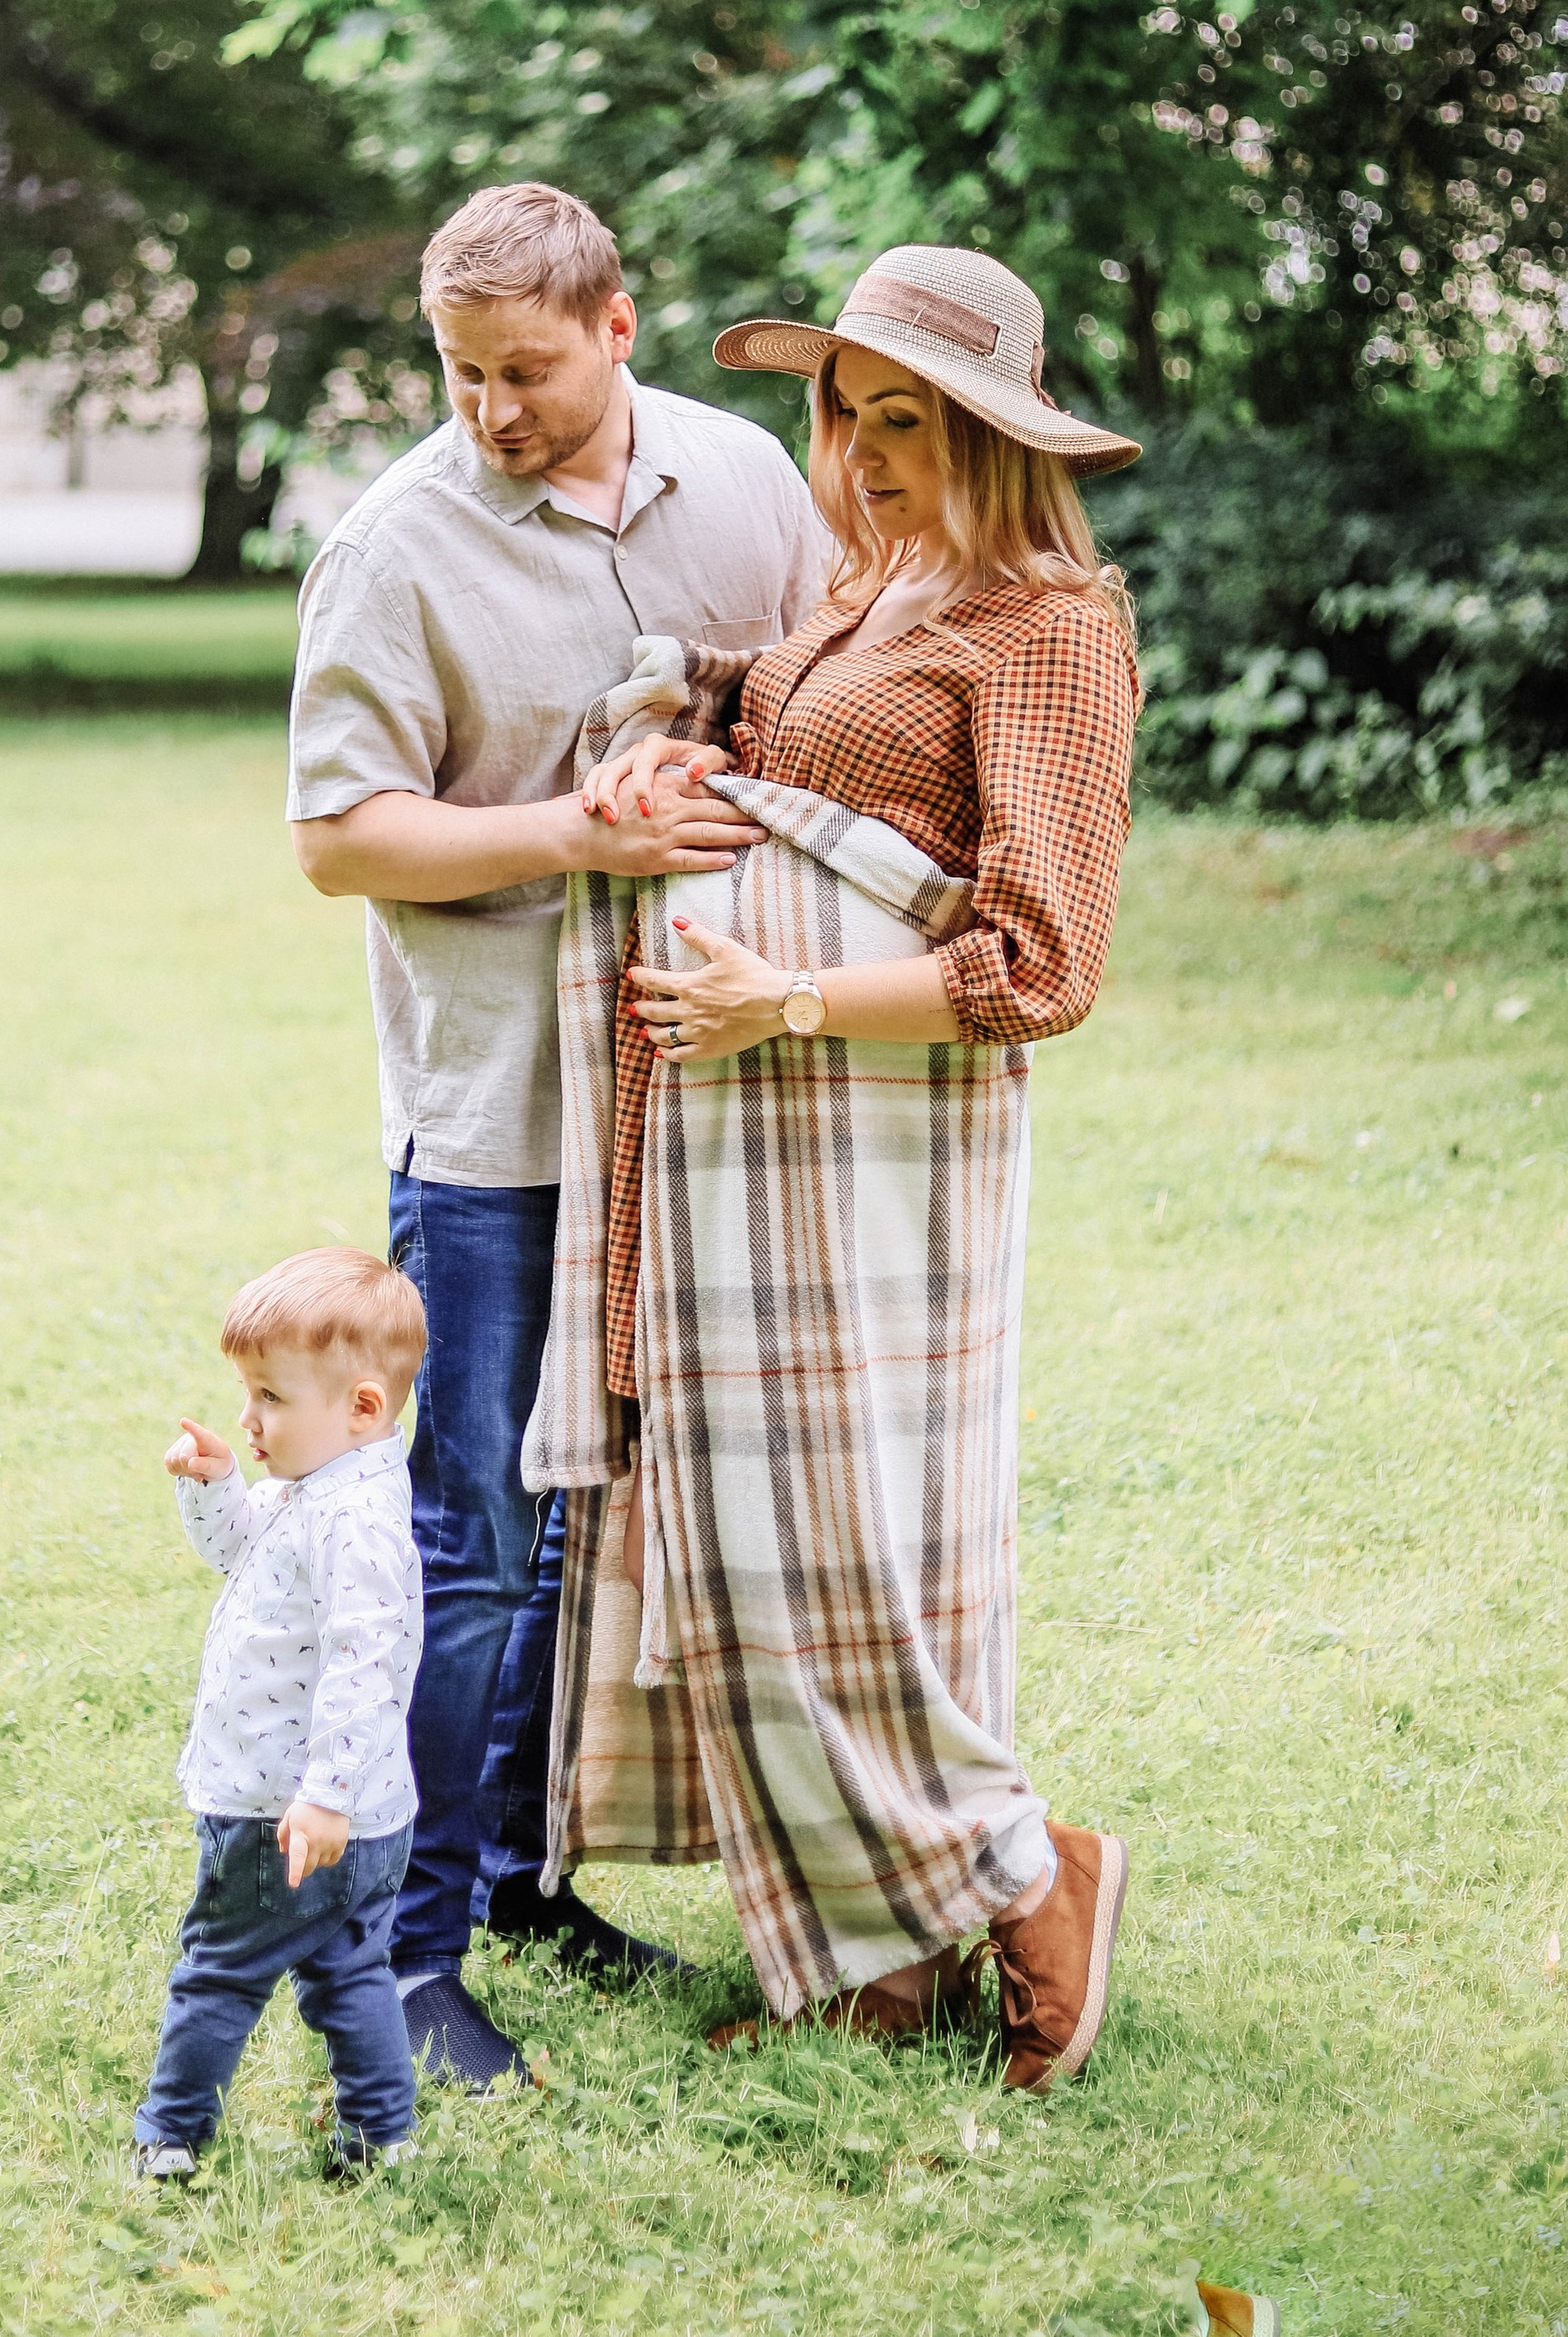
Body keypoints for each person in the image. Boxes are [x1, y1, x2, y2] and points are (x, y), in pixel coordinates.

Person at [527, 243, 1142, 2092]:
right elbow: (783, 741)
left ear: (992, 436)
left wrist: (783, 996)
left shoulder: (1048, 622)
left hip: (876, 1144)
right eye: (845, 416)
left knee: (845, 1547)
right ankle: (881, 1953)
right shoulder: (869, 589)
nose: (863, 458)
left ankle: (1033, 1876)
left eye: (907, 423)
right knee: (746, 1529)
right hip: (748, 1138)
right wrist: (677, 747)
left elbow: (1042, 962)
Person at [288, 182, 827, 2088]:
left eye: (523, 370)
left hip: (697, 1098)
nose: (490, 410)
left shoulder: (747, 478)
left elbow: (817, 706)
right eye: (460, 374)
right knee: (472, 1540)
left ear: (616, 326)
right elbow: (337, 837)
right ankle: (403, 1955)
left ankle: (518, 1879)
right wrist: (573, 830)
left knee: (596, 1524)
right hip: (496, 1120)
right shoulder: (390, 548)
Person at [132, 1248, 427, 2181]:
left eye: (269, 1397)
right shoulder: (324, 1486)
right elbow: (236, 1549)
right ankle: (380, 2137)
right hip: (356, 1814)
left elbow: (363, 1666)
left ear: (361, 1407)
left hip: (283, 1812)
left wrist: (323, 1794)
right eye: (245, 1394)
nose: (248, 1417)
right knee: (349, 1972)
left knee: (220, 1971)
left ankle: (169, 2139)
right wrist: (214, 1482)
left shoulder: (351, 1522)